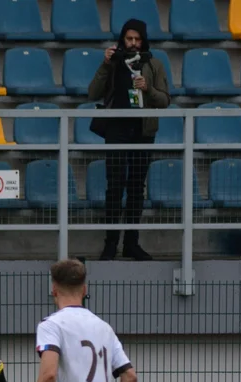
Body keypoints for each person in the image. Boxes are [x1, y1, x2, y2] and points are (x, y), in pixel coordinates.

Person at [87, 19, 170, 262]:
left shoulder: (154, 64)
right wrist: (104, 65)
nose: (133, 43)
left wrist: (148, 90)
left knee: (136, 187)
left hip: (143, 131)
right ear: (122, 39)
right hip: (116, 129)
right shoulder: (112, 63)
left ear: (143, 40)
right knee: (114, 185)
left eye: (137, 39)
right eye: (128, 39)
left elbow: (165, 100)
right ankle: (111, 243)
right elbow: (92, 92)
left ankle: (131, 243)